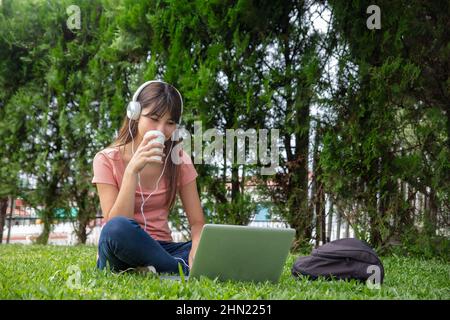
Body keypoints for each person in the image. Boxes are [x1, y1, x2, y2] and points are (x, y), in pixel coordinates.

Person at [91, 80, 205, 276]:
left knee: (219, 246)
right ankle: (179, 270)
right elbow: (116, 221)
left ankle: (158, 269)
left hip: (162, 249)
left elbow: (197, 223)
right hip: (121, 245)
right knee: (116, 229)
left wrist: (197, 251)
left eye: (170, 123)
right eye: (153, 118)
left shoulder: (180, 160)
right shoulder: (106, 159)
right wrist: (132, 170)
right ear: (134, 114)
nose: (161, 130)